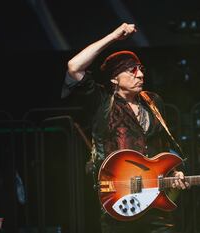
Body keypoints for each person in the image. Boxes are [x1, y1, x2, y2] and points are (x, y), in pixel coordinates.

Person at [61, 23, 189, 233]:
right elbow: (74, 67)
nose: (140, 75)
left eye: (141, 70)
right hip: (119, 203)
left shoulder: (154, 102)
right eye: (132, 70)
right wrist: (113, 36)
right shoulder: (101, 101)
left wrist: (175, 172)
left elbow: (163, 147)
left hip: (155, 203)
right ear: (114, 78)